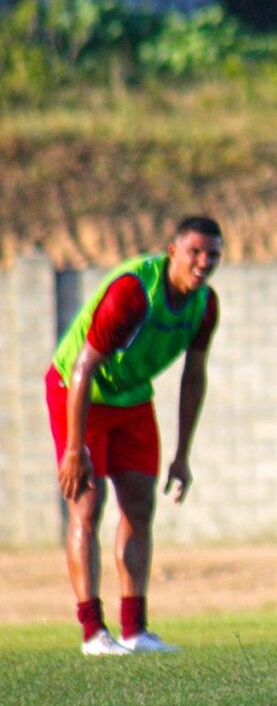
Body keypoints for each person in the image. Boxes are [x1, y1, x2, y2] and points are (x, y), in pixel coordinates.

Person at [45, 216, 223, 656]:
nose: (203, 263)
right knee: (87, 506)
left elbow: (193, 377)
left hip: (132, 398)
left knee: (140, 506)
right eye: (195, 252)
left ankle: (135, 631)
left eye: (213, 255)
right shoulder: (133, 293)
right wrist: (74, 448)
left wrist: (182, 455)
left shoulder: (205, 305)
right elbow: (84, 367)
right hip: (78, 390)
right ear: (172, 251)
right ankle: (92, 633)